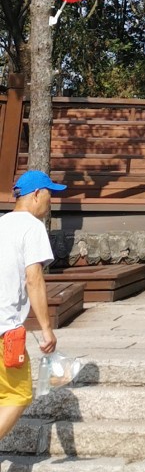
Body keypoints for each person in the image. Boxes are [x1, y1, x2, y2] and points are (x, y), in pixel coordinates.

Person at [0, 169, 62, 445]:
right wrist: (47, 329)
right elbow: (33, 278)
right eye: (50, 194)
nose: (52, 201)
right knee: (18, 395)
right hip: (5, 329)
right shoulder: (32, 227)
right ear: (36, 194)